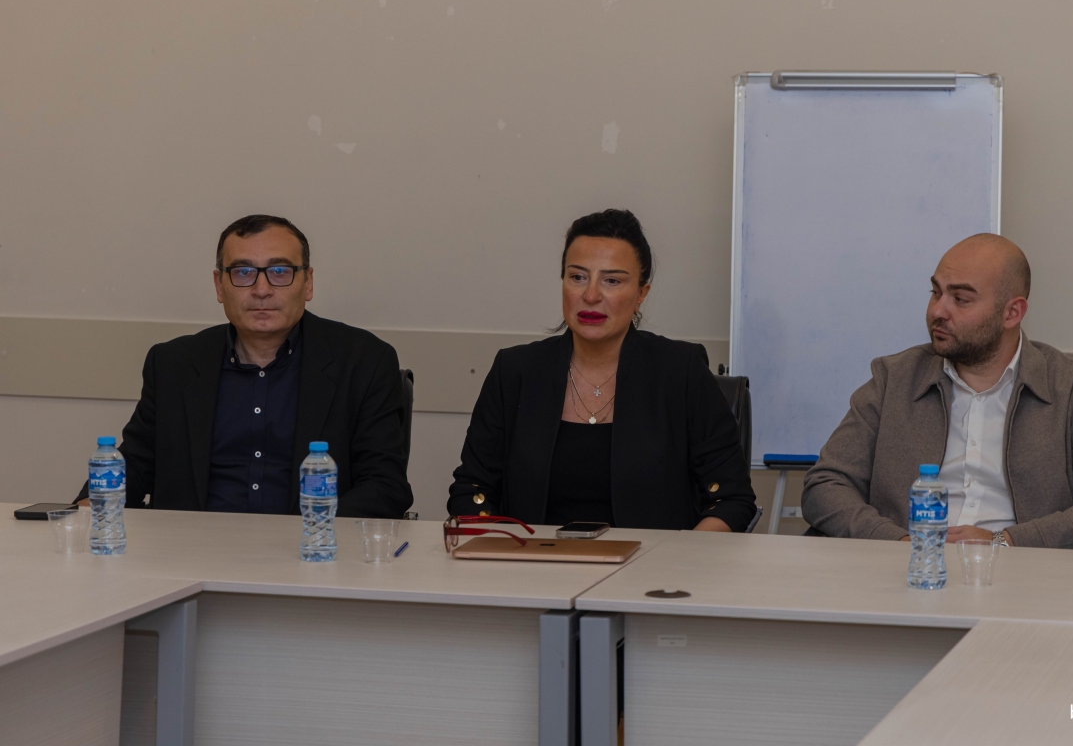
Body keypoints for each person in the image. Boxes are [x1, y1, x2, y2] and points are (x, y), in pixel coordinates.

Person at [801, 234, 1073, 550]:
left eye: (961, 299)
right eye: (936, 292)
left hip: (1028, 576)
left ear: (1012, 313)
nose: (938, 311)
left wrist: (1004, 541)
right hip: (910, 572)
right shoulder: (894, 378)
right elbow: (825, 485)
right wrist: (898, 542)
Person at [75, 215, 414, 518]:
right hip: (189, 552)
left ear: (308, 283)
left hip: (310, 551)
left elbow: (385, 485)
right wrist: (87, 507)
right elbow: (135, 465)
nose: (261, 290)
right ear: (219, 286)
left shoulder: (364, 361)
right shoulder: (174, 364)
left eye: (280, 272)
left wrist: (312, 533)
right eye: (243, 272)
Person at [448, 209, 757, 531]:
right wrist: (501, 551)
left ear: (641, 294)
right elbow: (472, 489)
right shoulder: (515, 371)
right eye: (578, 277)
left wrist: (681, 556)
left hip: (654, 562)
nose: (591, 295)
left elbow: (732, 499)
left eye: (612, 281)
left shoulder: (681, 371)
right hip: (532, 559)